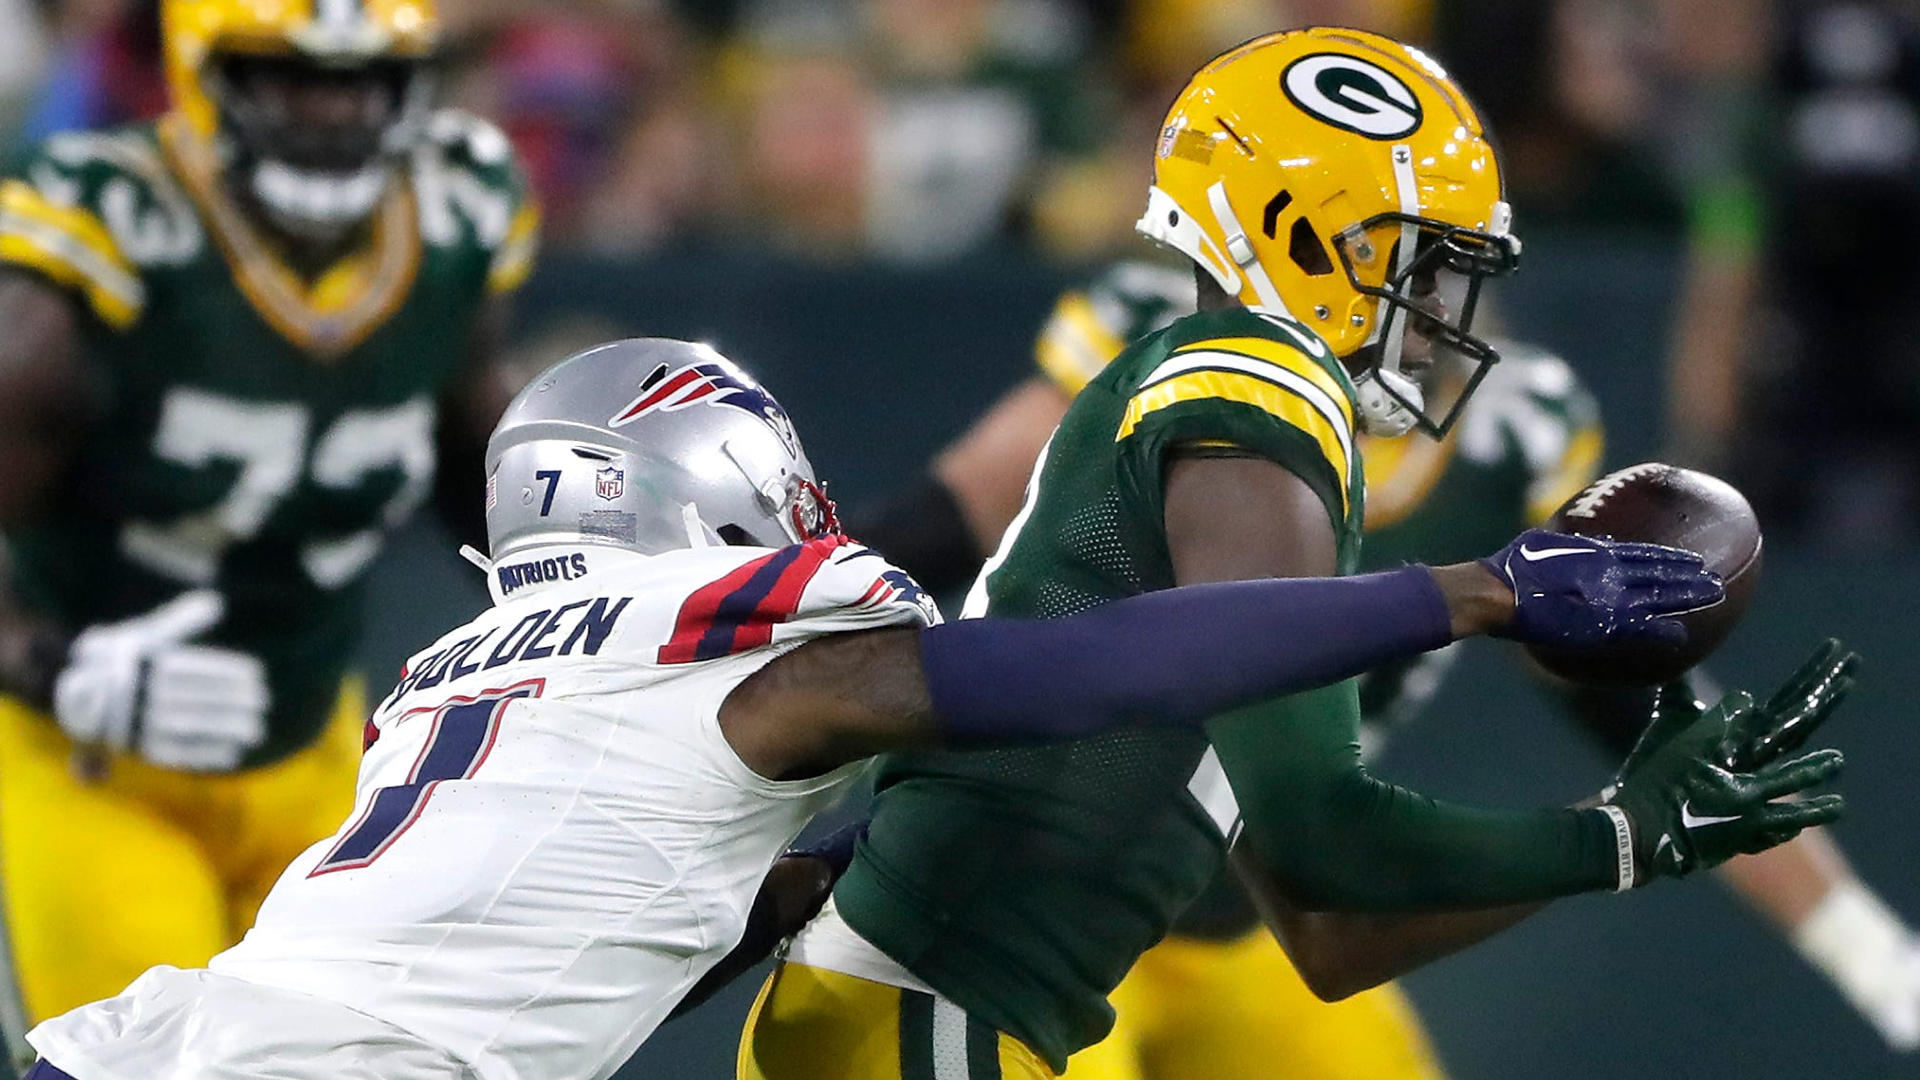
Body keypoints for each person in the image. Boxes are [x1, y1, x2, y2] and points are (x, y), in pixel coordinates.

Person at [16, 337, 1736, 1080]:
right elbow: (1095, 666)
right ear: (710, 475)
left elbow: (621, 913)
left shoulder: (454, 683)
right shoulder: (727, 632)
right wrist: (1476, 592)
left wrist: (814, 883)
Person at [736, 27, 1855, 1080]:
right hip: (933, 999)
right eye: (1423, 264)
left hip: (934, 999)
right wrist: (1619, 833)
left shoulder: (1246, 410)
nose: (1437, 314)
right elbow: (1328, 843)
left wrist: (1631, 839)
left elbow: (1332, 934)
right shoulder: (1256, 403)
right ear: (1310, 235)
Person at [0, 0, 539, 1035]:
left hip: (311, 743)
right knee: (142, 1061)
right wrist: (51, 667)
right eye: (292, 79)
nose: (332, 114)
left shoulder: (455, 218)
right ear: (208, 76)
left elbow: (473, 463)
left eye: (362, 83)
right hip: (95, 763)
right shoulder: (113, 234)